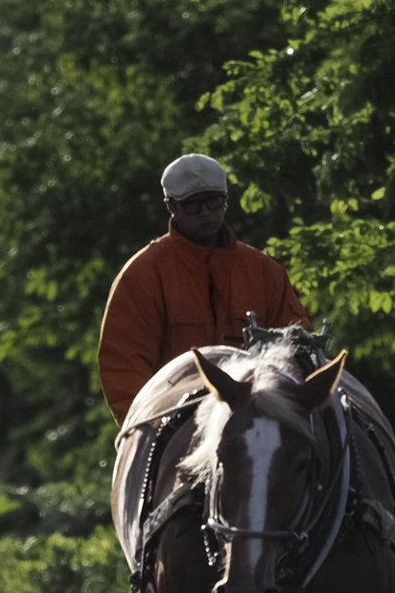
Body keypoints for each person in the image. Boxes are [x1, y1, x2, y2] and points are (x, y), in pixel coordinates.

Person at [97, 154, 311, 423]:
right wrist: (151, 429)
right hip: (173, 421)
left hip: (258, 421)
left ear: (226, 199)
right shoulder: (143, 275)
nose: (206, 213)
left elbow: (296, 347)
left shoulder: (265, 272)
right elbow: (124, 365)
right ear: (171, 206)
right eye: (193, 205)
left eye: (213, 201)